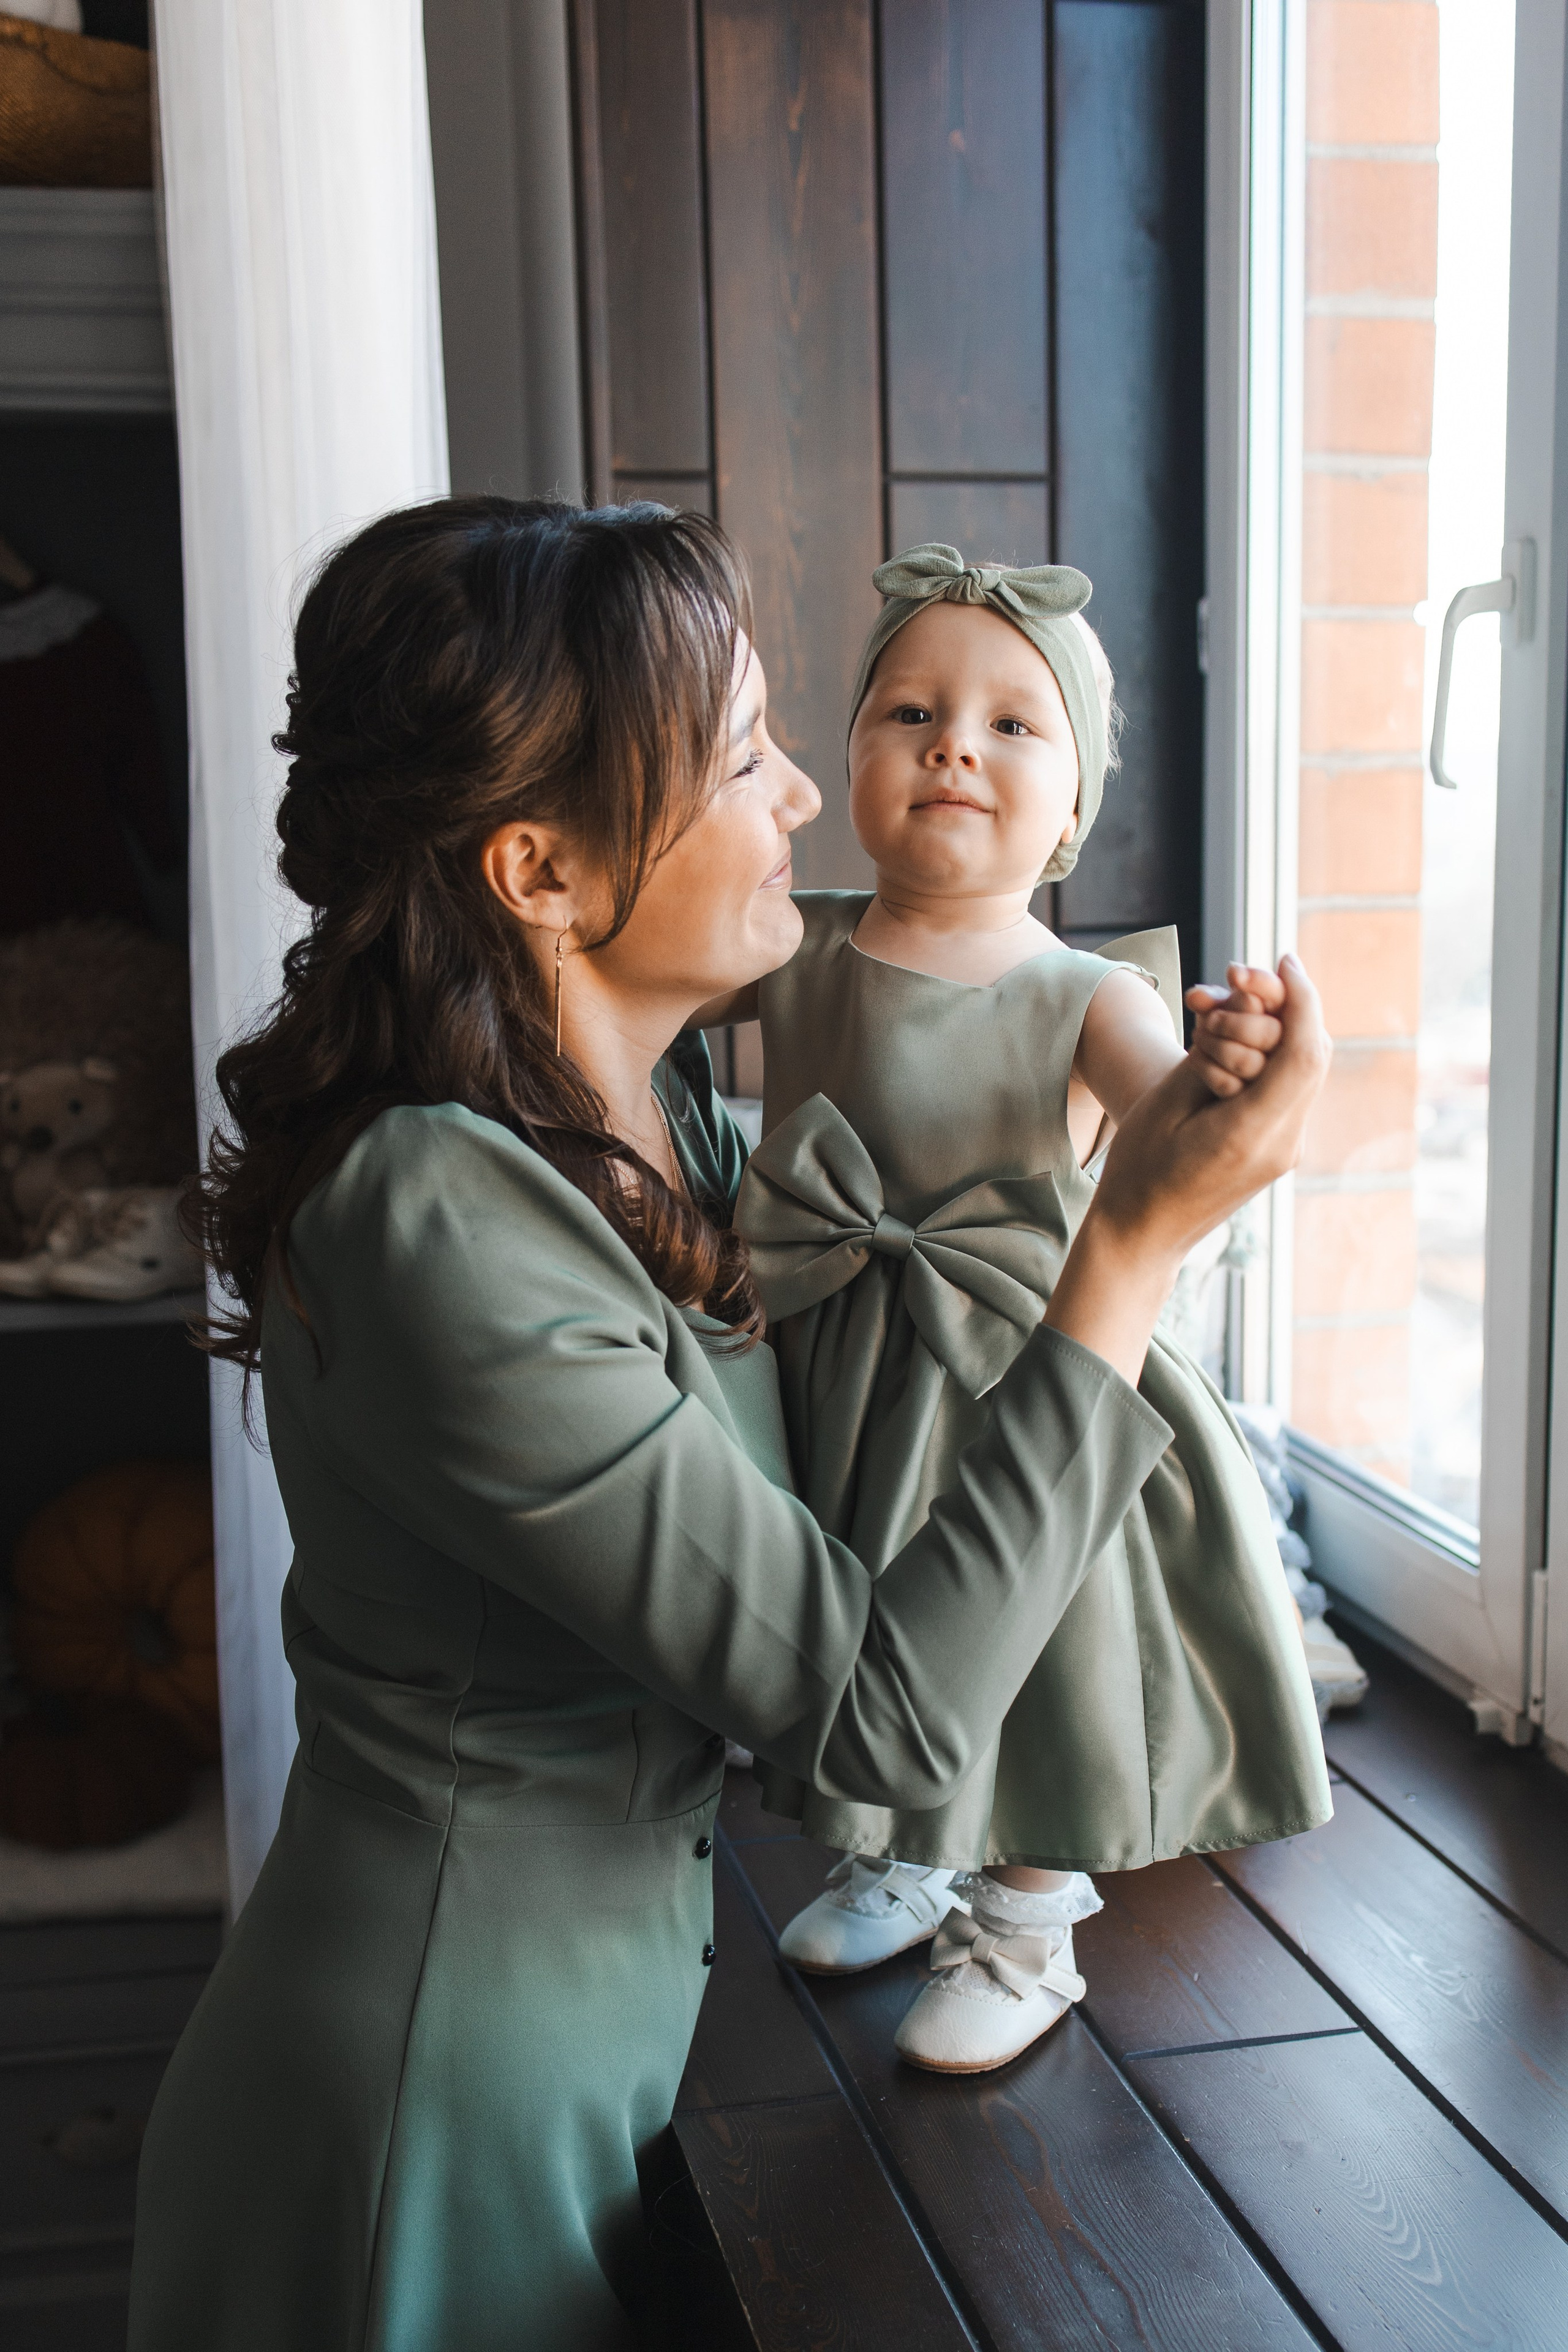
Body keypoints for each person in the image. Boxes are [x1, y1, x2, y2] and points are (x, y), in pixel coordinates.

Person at [127, 500, 1329, 2351]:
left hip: (595, 2050)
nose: (797, 798)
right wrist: (1134, 1240)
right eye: (742, 751)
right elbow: (878, 1712)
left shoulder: (661, 1128)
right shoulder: (438, 1220)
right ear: (541, 871)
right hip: (426, 2117)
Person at [709, 545, 1330, 2073]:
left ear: (1074, 807)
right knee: (875, 1619)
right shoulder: (799, 945)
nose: (951, 747)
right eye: (906, 712)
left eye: (1010, 725)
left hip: (1021, 1380)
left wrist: (1231, 1067)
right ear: (843, 760)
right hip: (849, 1369)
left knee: (1036, 1650)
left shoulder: (1083, 992)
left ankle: (1026, 1924)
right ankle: (908, 1854)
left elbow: (1175, 1123)